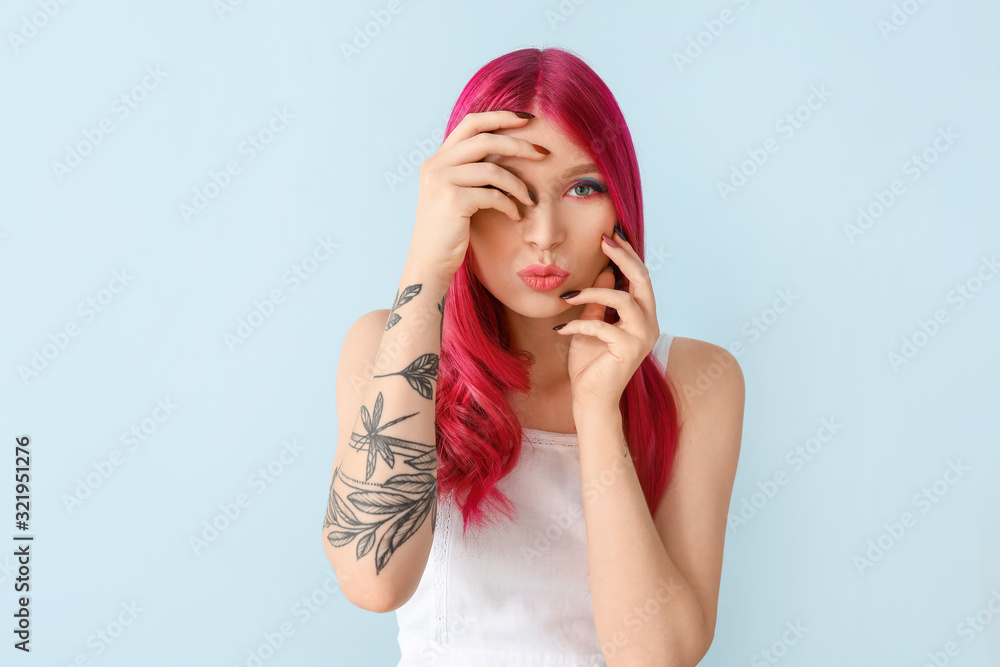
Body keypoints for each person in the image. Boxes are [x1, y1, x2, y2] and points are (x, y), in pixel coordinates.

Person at [322, 46, 744, 666]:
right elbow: (373, 578)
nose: (544, 233)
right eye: (507, 186)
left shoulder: (696, 382)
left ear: (620, 202)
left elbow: (657, 658)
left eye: (582, 187)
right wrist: (427, 268)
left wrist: (598, 409)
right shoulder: (387, 346)